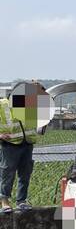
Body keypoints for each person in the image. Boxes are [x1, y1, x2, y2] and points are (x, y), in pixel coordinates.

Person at [0, 82, 48, 213]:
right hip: (10, 144)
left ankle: (21, 201)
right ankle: (4, 201)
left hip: (27, 143)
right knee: (7, 173)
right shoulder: (2, 104)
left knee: (25, 173)